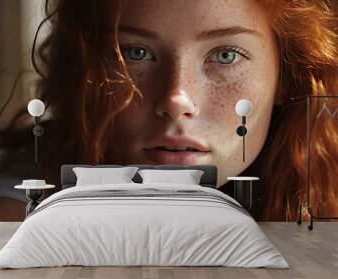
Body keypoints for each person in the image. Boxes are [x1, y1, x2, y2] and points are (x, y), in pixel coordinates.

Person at [31, 0, 338, 221]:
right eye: (136, 53)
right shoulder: (26, 196)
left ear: (285, 76)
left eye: (226, 56)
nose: (177, 100)